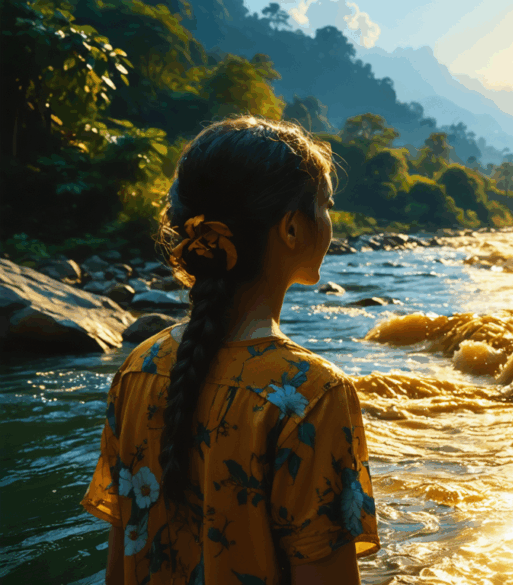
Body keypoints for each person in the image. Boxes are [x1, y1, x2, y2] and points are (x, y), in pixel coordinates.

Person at [81, 115, 379, 584]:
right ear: (292, 230)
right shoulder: (311, 395)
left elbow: (120, 563)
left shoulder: (139, 369)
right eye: (325, 204)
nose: (330, 219)